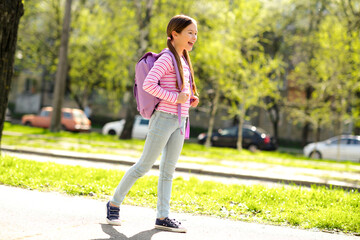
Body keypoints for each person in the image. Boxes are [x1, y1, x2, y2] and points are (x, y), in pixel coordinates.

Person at [106, 15, 199, 233]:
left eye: (195, 34)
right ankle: (113, 203)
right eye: (190, 33)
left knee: (168, 171)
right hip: (164, 119)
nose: (194, 37)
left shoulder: (183, 59)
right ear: (175, 34)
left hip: (180, 120)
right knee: (144, 166)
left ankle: (163, 216)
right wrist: (174, 98)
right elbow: (149, 84)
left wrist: (189, 98)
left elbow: (179, 90)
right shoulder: (167, 57)